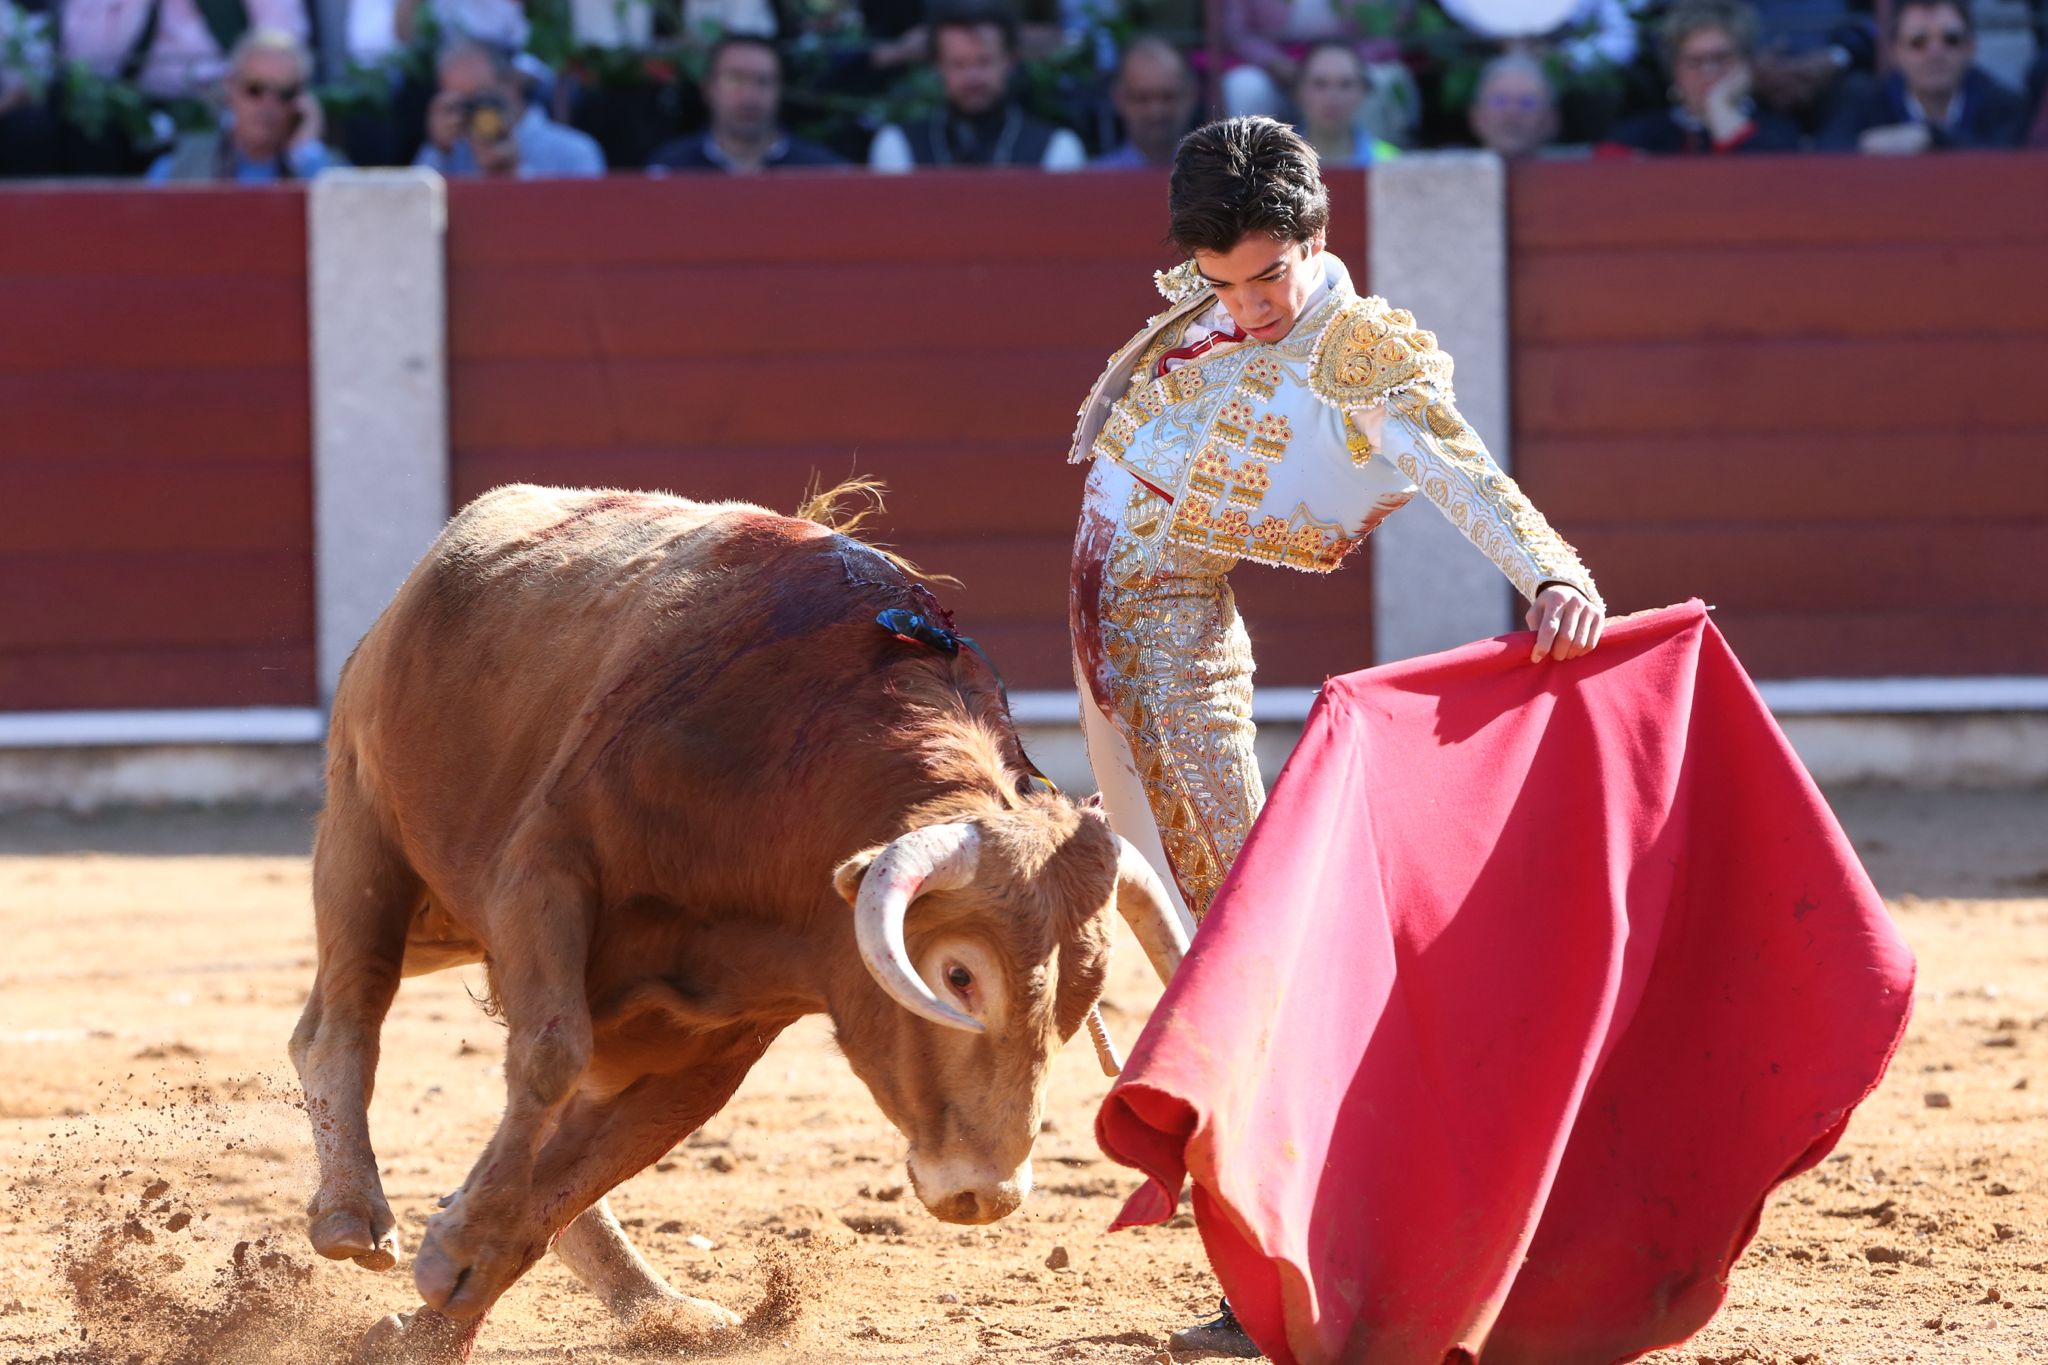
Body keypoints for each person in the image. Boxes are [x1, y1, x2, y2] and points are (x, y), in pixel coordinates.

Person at [1066, 116, 1604, 1356]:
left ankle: (1301, 1257)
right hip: (1111, 659)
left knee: (1243, 955)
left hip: (1169, 653)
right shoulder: (1217, 285)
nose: (1246, 308)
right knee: (1199, 947)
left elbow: (1457, 466)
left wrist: (1549, 574)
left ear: (1316, 241)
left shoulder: (1357, 352)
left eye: (1267, 276)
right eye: (1221, 284)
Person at [868, 2, 1087, 171]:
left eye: (984, 62)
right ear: (938, 66)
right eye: (958, 64)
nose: (972, 77)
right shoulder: (898, 145)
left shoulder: (1056, 148)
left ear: (1010, 62)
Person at [1818, 0, 2029, 152]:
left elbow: (2011, 164)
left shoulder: (2003, 105)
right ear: (1894, 52)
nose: (1935, 54)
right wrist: (1861, 147)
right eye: (1918, 42)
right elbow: (1824, 158)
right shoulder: (1862, 100)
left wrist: (1932, 138)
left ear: (1971, 48)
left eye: (1951, 40)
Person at [1605, 0, 1802, 154]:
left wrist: (1720, 108)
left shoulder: (1777, 132)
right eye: (1695, 61)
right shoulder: (1640, 136)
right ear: (1674, 69)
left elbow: (1768, 182)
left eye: (1721, 58)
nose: (1709, 71)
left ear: (1747, 62)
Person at [147, 28, 343, 181]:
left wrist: (305, 151)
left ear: (300, 100)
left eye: (284, 93)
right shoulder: (178, 167)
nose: (269, 104)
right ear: (230, 86)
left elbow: (348, 215)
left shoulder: (324, 169)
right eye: (255, 89)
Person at [647, 35, 843, 172]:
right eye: (733, 80)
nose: (749, 95)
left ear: (779, 91)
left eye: (763, 81)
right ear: (708, 89)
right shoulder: (669, 171)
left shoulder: (823, 171)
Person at [415, 40, 605, 178]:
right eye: (461, 104)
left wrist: (514, 172)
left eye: (483, 97)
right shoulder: (450, 155)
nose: (475, 112)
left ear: (512, 84)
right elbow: (412, 215)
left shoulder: (574, 152)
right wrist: (438, 150)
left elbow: (583, 223)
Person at [60, 0, 308, 101]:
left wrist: (232, 88)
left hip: (233, 103)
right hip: (135, 112)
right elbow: (88, 63)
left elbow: (285, 44)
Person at [1093, 36, 1197, 168]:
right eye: (1142, 99)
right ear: (1118, 99)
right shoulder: (1096, 180)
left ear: (1190, 97)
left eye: (1168, 97)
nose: (1156, 111)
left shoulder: (1218, 180)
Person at [1291, 39, 1399, 165]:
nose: (1333, 96)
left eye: (1346, 84)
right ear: (1299, 91)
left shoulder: (1392, 162)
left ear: (1363, 91)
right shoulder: (1273, 162)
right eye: (1320, 84)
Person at [1468, 50, 1562, 159]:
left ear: (1551, 120)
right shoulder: (1447, 171)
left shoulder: (1572, 170)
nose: (1512, 112)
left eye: (1527, 103)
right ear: (1476, 117)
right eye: (1500, 101)